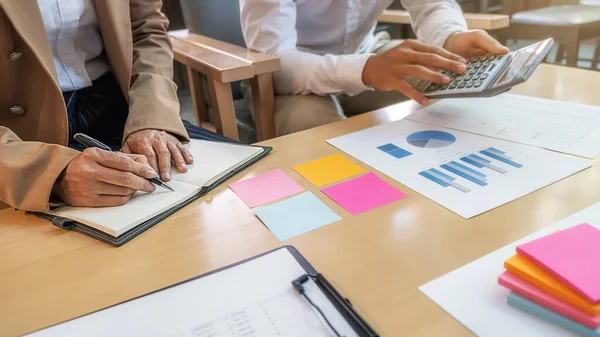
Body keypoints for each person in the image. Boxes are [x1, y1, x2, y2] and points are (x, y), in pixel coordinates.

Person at [0, 0, 195, 211]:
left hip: (128, 104)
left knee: (209, 198)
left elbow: (146, 31)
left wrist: (152, 117)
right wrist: (53, 175)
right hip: (20, 145)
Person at [240, 0, 510, 136]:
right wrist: (365, 70)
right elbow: (275, 62)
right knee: (317, 134)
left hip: (367, 53)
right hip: (287, 81)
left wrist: (451, 36)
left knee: (452, 82)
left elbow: (432, 5)